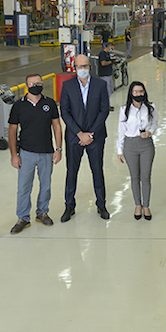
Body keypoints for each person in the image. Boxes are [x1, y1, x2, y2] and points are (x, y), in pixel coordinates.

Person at [7, 74, 63, 234]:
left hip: (46, 152)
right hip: (26, 153)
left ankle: (42, 212)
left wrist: (58, 149)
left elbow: (57, 126)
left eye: (39, 83)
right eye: (33, 83)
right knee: (24, 187)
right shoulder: (19, 106)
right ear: (27, 86)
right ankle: (23, 217)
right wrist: (14, 154)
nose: (37, 85)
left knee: (45, 186)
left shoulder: (49, 103)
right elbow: (12, 131)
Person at [59, 54, 111, 222]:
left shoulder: (100, 85)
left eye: (85, 66)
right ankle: (69, 206)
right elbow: (65, 112)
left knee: (97, 170)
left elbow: (104, 111)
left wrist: (90, 134)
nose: (82, 69)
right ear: (75, 68)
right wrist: (79, 133)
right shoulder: (67, 86)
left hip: (96, 137)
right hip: (75, 137)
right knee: (71, 172)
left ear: (90, 67)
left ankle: (101, 205)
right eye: (79, 67)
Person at [116, 81, 158, 221]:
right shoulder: (124, 110)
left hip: (146, 144)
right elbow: (121, 131)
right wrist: (119, 150)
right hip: (130, 145)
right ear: (131, 93)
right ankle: (137, 205)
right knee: (134, 177)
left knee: (145, 177)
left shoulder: (151, 108)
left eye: (141, 91)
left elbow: (154, 123)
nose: (139, 94)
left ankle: (146, 205)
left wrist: (150, 132)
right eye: (136, 92)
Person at [98, 41, 115, 109]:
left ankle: (107, 105)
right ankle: (106, 106)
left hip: (109, 74)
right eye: (112, 49)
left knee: (110, 90)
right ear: (108, 47)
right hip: (104, 75)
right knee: (106, 91)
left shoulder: (107, 54)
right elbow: (103, 63)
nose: (112, 50)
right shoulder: (102, 54)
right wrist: (111, 62)